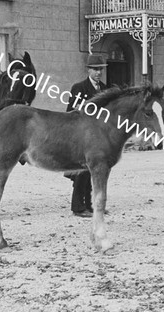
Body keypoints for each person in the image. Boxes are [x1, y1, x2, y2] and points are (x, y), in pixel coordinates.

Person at [65, 54, 108, 218]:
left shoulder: (105, 88)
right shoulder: (79, 88)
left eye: (100, 70)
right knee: (81, 172)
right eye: (95, 69)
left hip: (98, 137)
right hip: (81, 135)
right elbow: (70, 111)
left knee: (94, 171)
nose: (98, 73)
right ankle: (77, 206)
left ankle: (89, 205)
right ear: (88, 70)